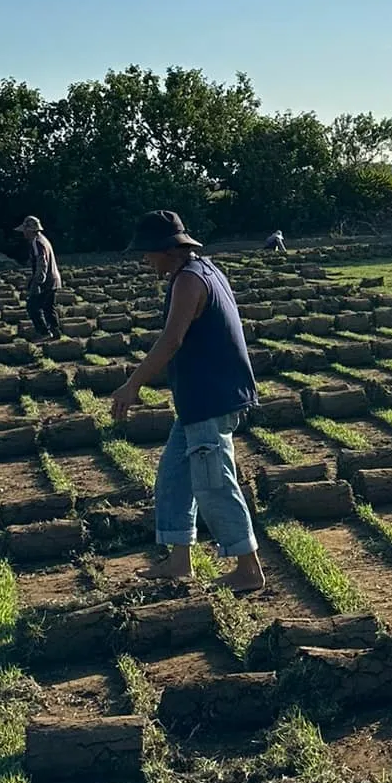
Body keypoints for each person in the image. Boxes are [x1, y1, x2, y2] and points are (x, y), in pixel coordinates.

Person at [110, 209, 265, 589]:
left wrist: (132, 385)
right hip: (200, 399)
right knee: (174, 479)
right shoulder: (203, 269)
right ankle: (179, 561)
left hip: (211, 399)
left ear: (168, 250)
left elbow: (171, 340)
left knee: (214, 483)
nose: (145, 260)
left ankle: (248, 569)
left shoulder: (189, 282)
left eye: (147, 253)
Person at [16, 216, 62, 336]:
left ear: (30, 230)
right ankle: (55, 331)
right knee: (48, 308)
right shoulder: (43, 240)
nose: (24, 233)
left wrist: (37, 283)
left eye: (25, 231)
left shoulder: (37, 243)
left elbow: (42, 264)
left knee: (32, 307)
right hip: (53, 279)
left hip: (46, 281)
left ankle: (44, 333)